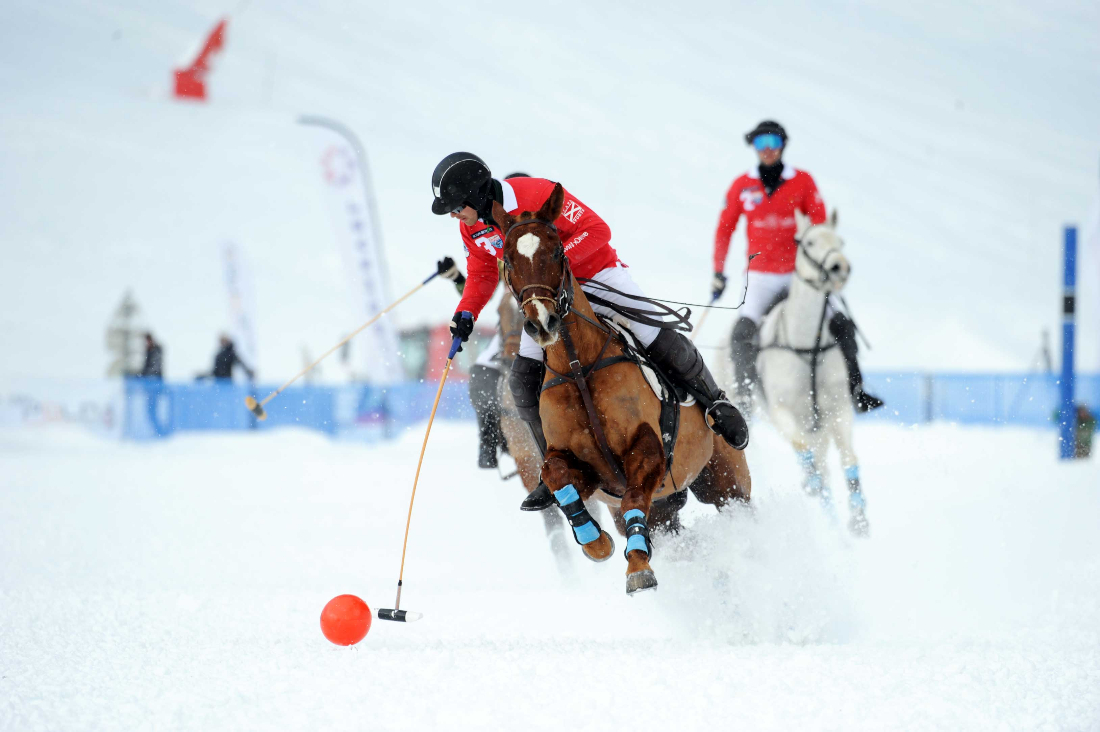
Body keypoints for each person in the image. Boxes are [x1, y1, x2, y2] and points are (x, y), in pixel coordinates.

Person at [431, 152, 749, 468]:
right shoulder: (471, 228)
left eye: (457, 207)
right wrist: (467, 312)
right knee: (521, 378)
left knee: (651, 331)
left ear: (476, 193)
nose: (454, 216)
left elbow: (597, 230)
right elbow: (483, 273)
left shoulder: (538, 194)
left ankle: (716, 404)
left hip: (597, 273)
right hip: (548, 296)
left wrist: (553, 261)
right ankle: (550, 465)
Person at [712, 120, 883, 413]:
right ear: (753, 147)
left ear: (783, 146)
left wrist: (827, 268)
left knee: (841, 322)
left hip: (800, 276)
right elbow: (724, 229)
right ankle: (744, 394)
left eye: (773, 142)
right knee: (742, 331)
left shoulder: (803, 182)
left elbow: (820, 229)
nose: (767, 150)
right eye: (760, 143)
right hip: (761, 276)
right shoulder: (742, 185)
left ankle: (857, 389)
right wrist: (718, 272)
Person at [438, 174, 530, 470]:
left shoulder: (532, 232)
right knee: (480, 374)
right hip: (512, 323)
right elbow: (481, 290)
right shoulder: (490, 238)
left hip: (544, 312)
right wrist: (456, 278)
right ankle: (489, 439)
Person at [137, 332, 166, 436]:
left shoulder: (155, 351)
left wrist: (142, 375)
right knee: (150, 412)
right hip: (150, 388)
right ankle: (157, 432)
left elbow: (154, 368)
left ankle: (160, 432)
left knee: (153, 411)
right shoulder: (150, 351)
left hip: (155, 387)